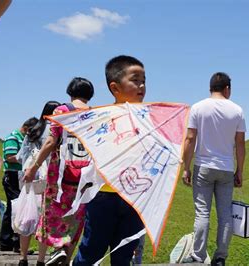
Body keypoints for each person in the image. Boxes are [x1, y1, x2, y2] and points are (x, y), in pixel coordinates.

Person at [73, 55, 145, 266]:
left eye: (144, 80)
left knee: (124, 254)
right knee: (91, 251)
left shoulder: (148, 118)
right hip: (103, 195)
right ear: (115, 88)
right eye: (135, 80)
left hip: (134, 197)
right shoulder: (101, 116)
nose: (142, 85)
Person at [23, 78, 94, 266]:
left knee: (50, 216)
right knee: (75, 220)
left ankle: (50, 255)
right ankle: (65, 258)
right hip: (84, 178)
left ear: (70, 92)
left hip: (60, 177)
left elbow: (50, 141)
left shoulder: (62, 111)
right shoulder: (95, 114)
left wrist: (33, 167)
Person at [182, 72, 246, 265]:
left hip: (203, 167)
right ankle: (220, 257)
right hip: (226, 168)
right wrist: (240, 171)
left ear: (210, 88)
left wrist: (186, 167)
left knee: (202, 213)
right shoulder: (237, 111)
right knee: (225, 213)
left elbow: (190, 138)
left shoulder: (198, 108)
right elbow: (241, 144)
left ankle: (198, 256)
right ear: (227, 88)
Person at [16, 101, 61, 266]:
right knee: (45, 220)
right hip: (49, 179)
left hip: (30, 178)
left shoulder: (32, 131)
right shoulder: (56, 130)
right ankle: (41, 260)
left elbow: (21, 156)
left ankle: (23, 258)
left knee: (26, 218)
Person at [0, 117, 38, 253]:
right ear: (27, 128)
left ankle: (11, 242)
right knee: (15, 207)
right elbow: (9, 156)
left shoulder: (24, 138)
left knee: (16, 208)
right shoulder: (13, 137)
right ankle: (11, 242)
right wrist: (27, 156)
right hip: (12, 175)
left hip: (20, 176)